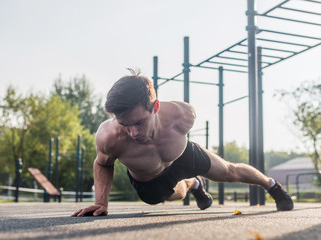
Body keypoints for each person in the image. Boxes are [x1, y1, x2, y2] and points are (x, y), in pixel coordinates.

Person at [72, 69, 293, 217]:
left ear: (155, 107)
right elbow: (103, 163)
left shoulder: (183, 115)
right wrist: (101, 203)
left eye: (139, 122)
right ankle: (193, 184)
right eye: (124, 124)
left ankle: (272, 185)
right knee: (175, 193)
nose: (133, 132)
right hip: (150, 181)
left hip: (183, 155)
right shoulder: (109, 136)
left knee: (229, 171)